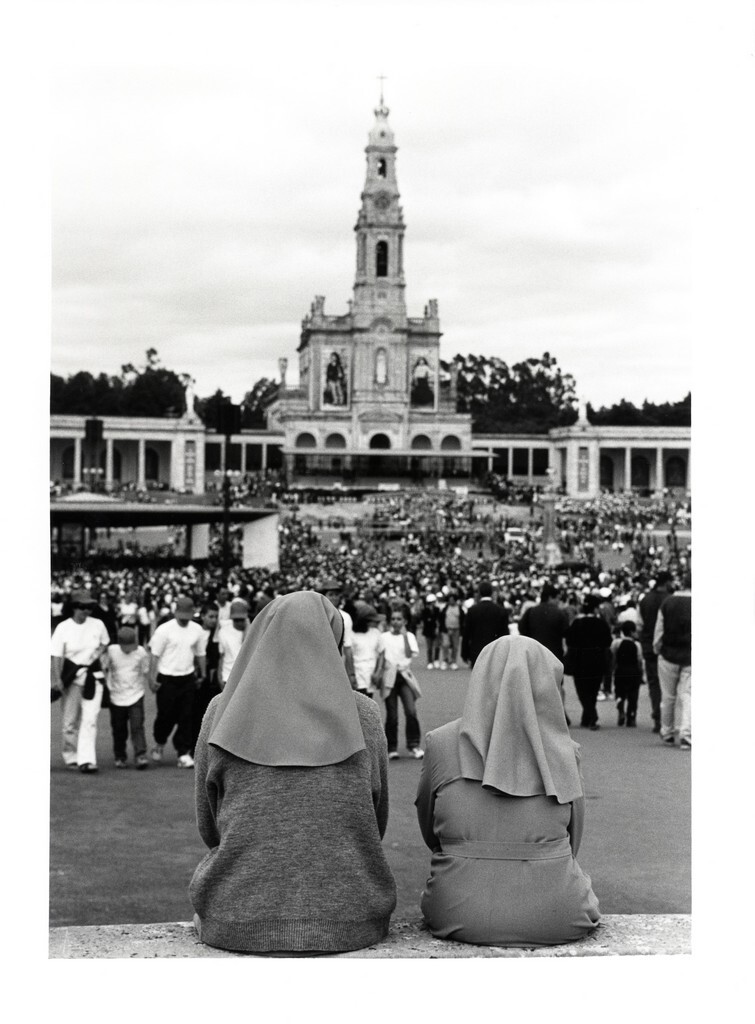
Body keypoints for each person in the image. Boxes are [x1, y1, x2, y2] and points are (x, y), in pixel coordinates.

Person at [189, 591, 397, 954]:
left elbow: (209, 825)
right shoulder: (363, 713)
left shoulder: (221, 709)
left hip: (234, 914)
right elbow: (374, 822)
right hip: (351, 916)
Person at [415, 635, 600, 946]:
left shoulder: (440, 742)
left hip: (456, 908)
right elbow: (573, 838)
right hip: (557, 912)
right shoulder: (566, 749)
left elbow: (429, 829)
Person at [50, 589, 110, 773]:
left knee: (89, 720)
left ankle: (86, 760)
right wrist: (57, 679)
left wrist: (100, 657)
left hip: (93, 677)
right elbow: (57, 656)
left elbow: (105, 643)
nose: (87, 611)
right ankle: (71, 755)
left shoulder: (98, 624)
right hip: (71, 678)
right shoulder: (63, 628)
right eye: (83, 607)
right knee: (70, 721)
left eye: (90, 607)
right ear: (74, 607)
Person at [148, 596, 207, 768]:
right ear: (175, 612)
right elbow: (155, 655)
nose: (184, 618)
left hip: (187, 677)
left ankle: (183, 752)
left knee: (186, 716)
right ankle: (159, 742)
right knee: (165, 716)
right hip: (167, 678)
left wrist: (201, 674)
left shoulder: (197, 630)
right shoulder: (164, 630)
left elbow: (200, 653)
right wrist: (152, 678)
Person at [375, 607, 424, 759]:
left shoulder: (409, 636)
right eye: (393, 619)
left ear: (405, 621)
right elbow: (381, 657)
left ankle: (414, 745)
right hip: (389, 676)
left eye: (399, 619)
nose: (396, 622)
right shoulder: (384, 637)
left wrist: (404, 637)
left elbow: (410, 654)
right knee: (392, 714)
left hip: (404, 675)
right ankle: (391, 748)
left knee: (411, 711)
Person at [653, 572, 691, 750]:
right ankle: (686, 734)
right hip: (690, 656)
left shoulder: (667, 602)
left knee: (667, 697)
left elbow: (659, 630)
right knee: (688, 696)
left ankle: (667, 731)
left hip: (668, 654)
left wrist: (657, 647)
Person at [564, 594, 612, 730]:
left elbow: (569, 640)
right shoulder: (601, 624)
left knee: (582, 690)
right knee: (593, 689)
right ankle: (590, 716)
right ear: (596, 608)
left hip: (579, 661)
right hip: (597, 660)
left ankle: (589, 715)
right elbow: (608, 641)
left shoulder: (576, 623)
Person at [105, 626, 150, 768]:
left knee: (137, 726)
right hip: (116, 695)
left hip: (136, 693)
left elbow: (145, 670)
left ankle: (140, 755)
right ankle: (120, 756)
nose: (129, 649)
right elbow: (105, 667)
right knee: (119, 728)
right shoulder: (111, 651)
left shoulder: (140, 652)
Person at [637, 571, 672, 733]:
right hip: (667, 647)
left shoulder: (644, 600)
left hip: (649, 647)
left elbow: (639, 624)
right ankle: (666, 721)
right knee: (668, 686)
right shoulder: (670, 599)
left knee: (654, 684)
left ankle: (657, 717)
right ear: (667, 583)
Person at [461, 580, 509, 668]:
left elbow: (467, 633)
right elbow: (505, 634)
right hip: (496, 652)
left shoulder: (472, 610)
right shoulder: (501, 611)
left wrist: (464, 653)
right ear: (491, 593)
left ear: (479, 593)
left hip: (477, 651)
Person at [610, 621, 645, 727]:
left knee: (619, 692)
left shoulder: (616, 643)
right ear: (631, 632)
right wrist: (641, 673)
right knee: (633, 695)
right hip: (634, 672)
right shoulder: (637, 645)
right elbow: (639, 660)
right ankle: (631, 717)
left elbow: (613, 656)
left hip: (620, 671)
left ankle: (620, 708)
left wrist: (612, 670)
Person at [350, 604, 383, 698]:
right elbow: (349, 656)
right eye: (373, 621)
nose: (376, 623)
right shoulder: (352, 635)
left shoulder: (376, 633)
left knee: (369, 699)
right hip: (358, 673)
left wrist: (378, 672)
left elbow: (382, 653)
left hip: (371, 673)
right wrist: (351, 675)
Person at [217, 598, 250, 689]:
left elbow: (246, 647)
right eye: (236, 620)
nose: (239, 622)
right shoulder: (223, 631)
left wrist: (247, 627)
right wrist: (219, 677)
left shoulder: (252, 631)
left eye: (241, 619)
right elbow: (222, 656)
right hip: (227, 676)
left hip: (244, 678)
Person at [421, 593, 440, 669]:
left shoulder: (437, 609)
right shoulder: (425, 610)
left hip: (435, 630)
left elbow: (438, 620)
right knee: (429, 647)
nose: (433, 603)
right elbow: (425, 621)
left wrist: (437, 628)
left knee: (436, 646)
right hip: (428, 631)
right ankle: (430, 661)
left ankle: (436, 660)